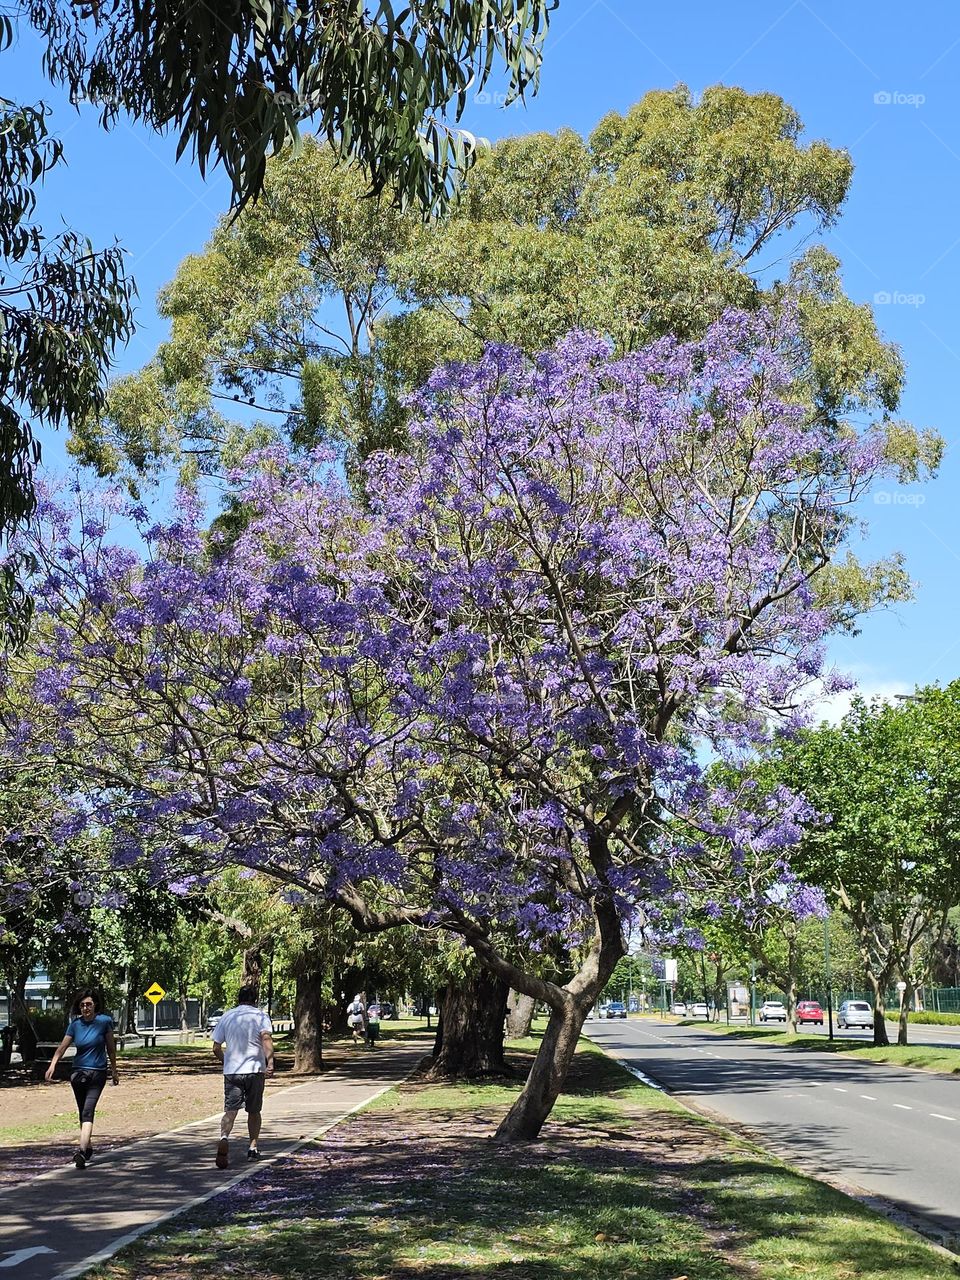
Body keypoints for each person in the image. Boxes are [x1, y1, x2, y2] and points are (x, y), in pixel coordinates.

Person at [44, 990, 119, 1169]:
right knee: (82, 1112)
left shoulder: (104, 1022)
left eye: (89, 1004)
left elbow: (111, 1048)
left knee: (88, 1111)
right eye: (83, 1005)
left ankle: (82, 1151)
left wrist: (114, 1071)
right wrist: (52, 1065)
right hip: (78, 1074)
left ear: (95, 1006)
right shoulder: (75, 1025)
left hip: (97, 1073)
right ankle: (89, 1148)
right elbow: (62, 1047)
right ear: (79, 1007)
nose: (86, 1008)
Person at [212, 985, 274, 1169]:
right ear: (255, 999)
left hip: (233, 1071)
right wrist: (270, 1062)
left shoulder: (227, 1016)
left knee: (231, 1110)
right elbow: (266, 1039)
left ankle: (224, 1137)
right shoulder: (260, 1016)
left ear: (238, 998)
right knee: (254, 1111)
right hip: (255, 1069)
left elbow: (215, 1047)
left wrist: (227, 1061)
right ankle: (252, 1148)